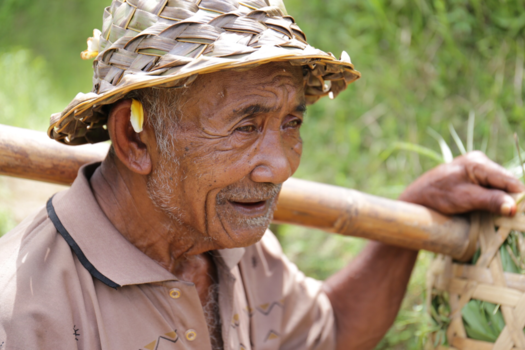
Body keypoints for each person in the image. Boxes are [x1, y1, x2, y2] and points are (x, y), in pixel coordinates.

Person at [0, 1, 523, 349]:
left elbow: (329, 333)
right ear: (136, 139)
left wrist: (413, 212)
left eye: (290, 122)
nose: (281, 165)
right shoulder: (27, 315)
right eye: (245, 125)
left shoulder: (226, 240)